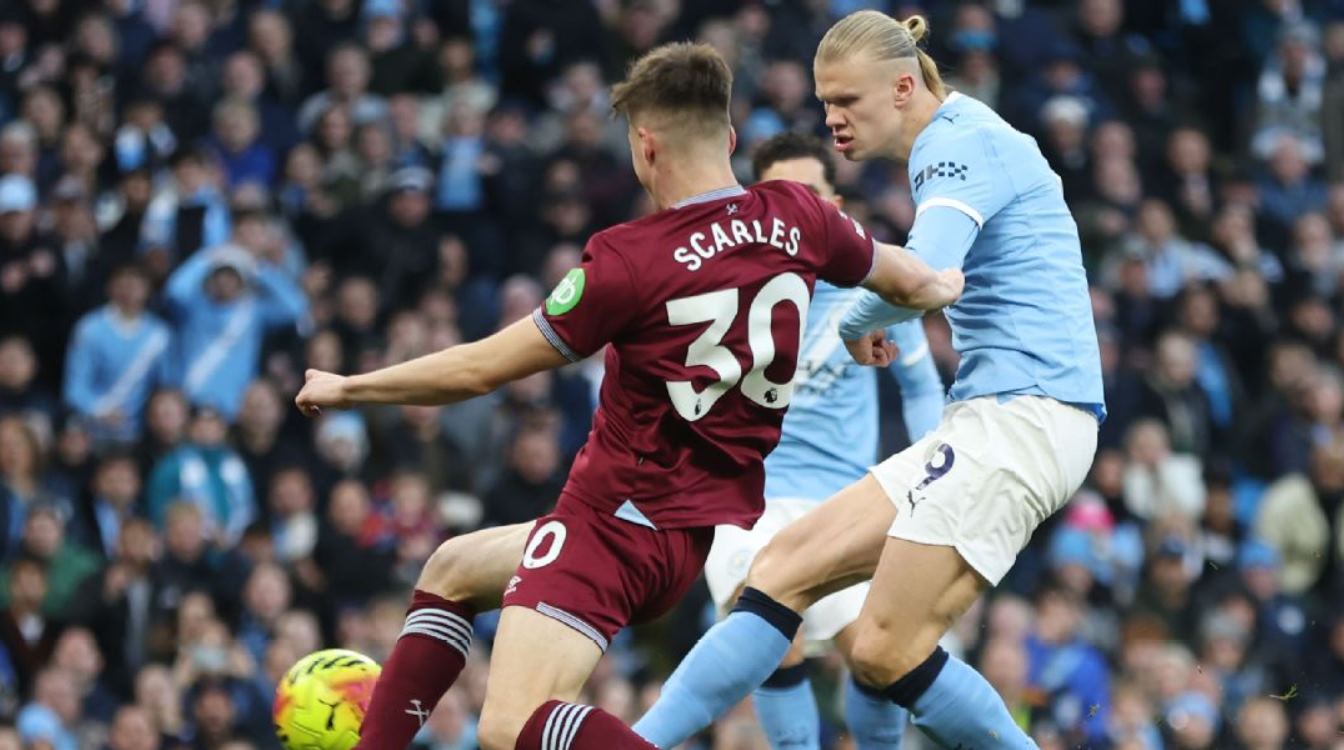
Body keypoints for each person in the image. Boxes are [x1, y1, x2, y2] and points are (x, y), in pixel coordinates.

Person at [295, 42, 962, 750]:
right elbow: (920, 284)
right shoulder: (799, 216)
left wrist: (351, 387)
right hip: (685, 538)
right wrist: (873, 321)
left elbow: (478, 371)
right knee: (453, 568)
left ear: (646, 146)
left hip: (613, 520)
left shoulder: (628, 260)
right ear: (730, 139)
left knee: (510, 726)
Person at [631, 13, 1104, 750]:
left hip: (1025, 418)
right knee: (780, 571)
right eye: (825, 103)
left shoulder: (958, 142)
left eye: (847, 102)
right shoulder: (957, 142)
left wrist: (854, 324)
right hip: (989, 421)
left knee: (883, 652)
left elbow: (929, 277)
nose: (833, 120)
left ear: (905, 86)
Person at [698, 131, 944, 750]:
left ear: (834, 203)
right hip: (742, 501)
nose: (802, 208)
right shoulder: (720, 291)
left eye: (813, 194)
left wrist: (938, 477)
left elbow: (918, 390)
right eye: (784, 196)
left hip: (841, 504)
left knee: (878, 655)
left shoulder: (879, 286)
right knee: (773, 642)